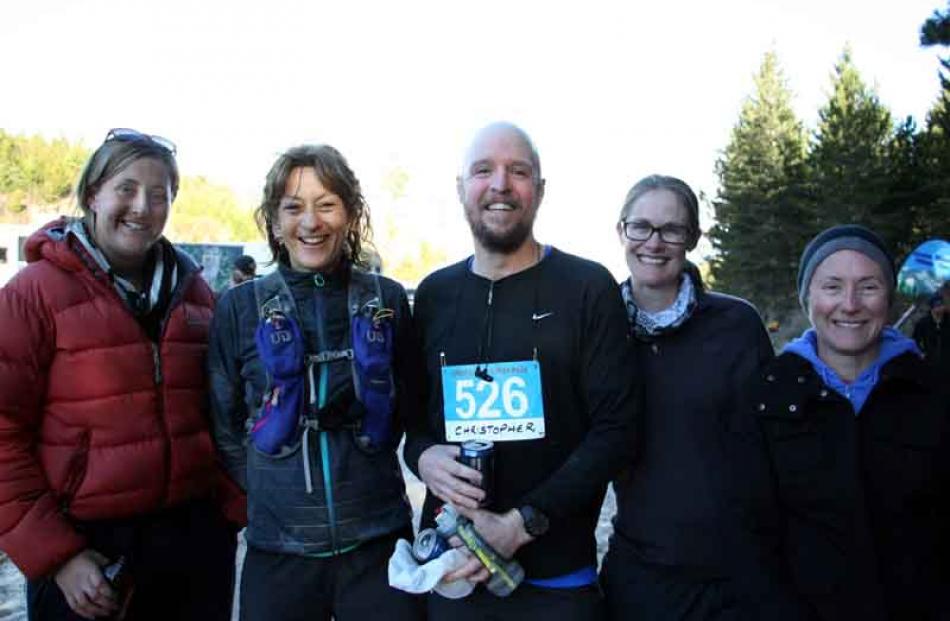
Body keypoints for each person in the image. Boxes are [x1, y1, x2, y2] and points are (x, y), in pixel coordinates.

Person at [0, 129, 243, 620]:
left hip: (194, 546)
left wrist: (230, 513)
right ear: (93, 194)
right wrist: (58, 556)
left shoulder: (197, 296)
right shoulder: (34, 293)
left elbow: (229, 415)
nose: (142, 207)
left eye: (160, 195)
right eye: (126, 188)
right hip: (89, 553)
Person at [404, 122, 639, 620]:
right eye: (483, 170)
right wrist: (423, 458)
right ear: (461, 188)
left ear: (541, 190)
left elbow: (618, 431)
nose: (501, 184)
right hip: (455, 579)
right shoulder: (434, 295)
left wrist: (521, 524)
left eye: (519, 171)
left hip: (557, 583)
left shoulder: (587, 288)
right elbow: (415, 427)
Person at [208, 144, 423, 621]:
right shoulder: (239, 307)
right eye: (293, 207)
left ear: (350, 213)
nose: (311, 222)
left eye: (327, 204)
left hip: (378, 543)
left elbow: (411, 403)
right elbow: (224, 424)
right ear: (273, 219)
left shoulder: (386, 298)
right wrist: (268, 488)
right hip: (278, 549)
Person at [736, 225, 950, 619]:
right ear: (808, 298)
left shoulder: (933, 393)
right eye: (832, 287)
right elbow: (750, 540)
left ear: (888, 297)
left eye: (868, 287)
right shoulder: (766, 396)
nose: (850, 304)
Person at [598, 175, 774, 620]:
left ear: (692, 238)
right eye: (641, 227)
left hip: (738, 579)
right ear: (621, 232)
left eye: (672, 230)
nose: (654, 243)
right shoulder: (599, 332)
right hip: (644, 576)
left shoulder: (737, 325)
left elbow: (776, 442)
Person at [912, 283, 949, 373]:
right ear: (932, 308)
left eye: (941, 305)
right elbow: (915, 341)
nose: (940, 308)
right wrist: (922, 353)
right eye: (937, 306)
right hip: (929, 364)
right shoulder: (923, 323)